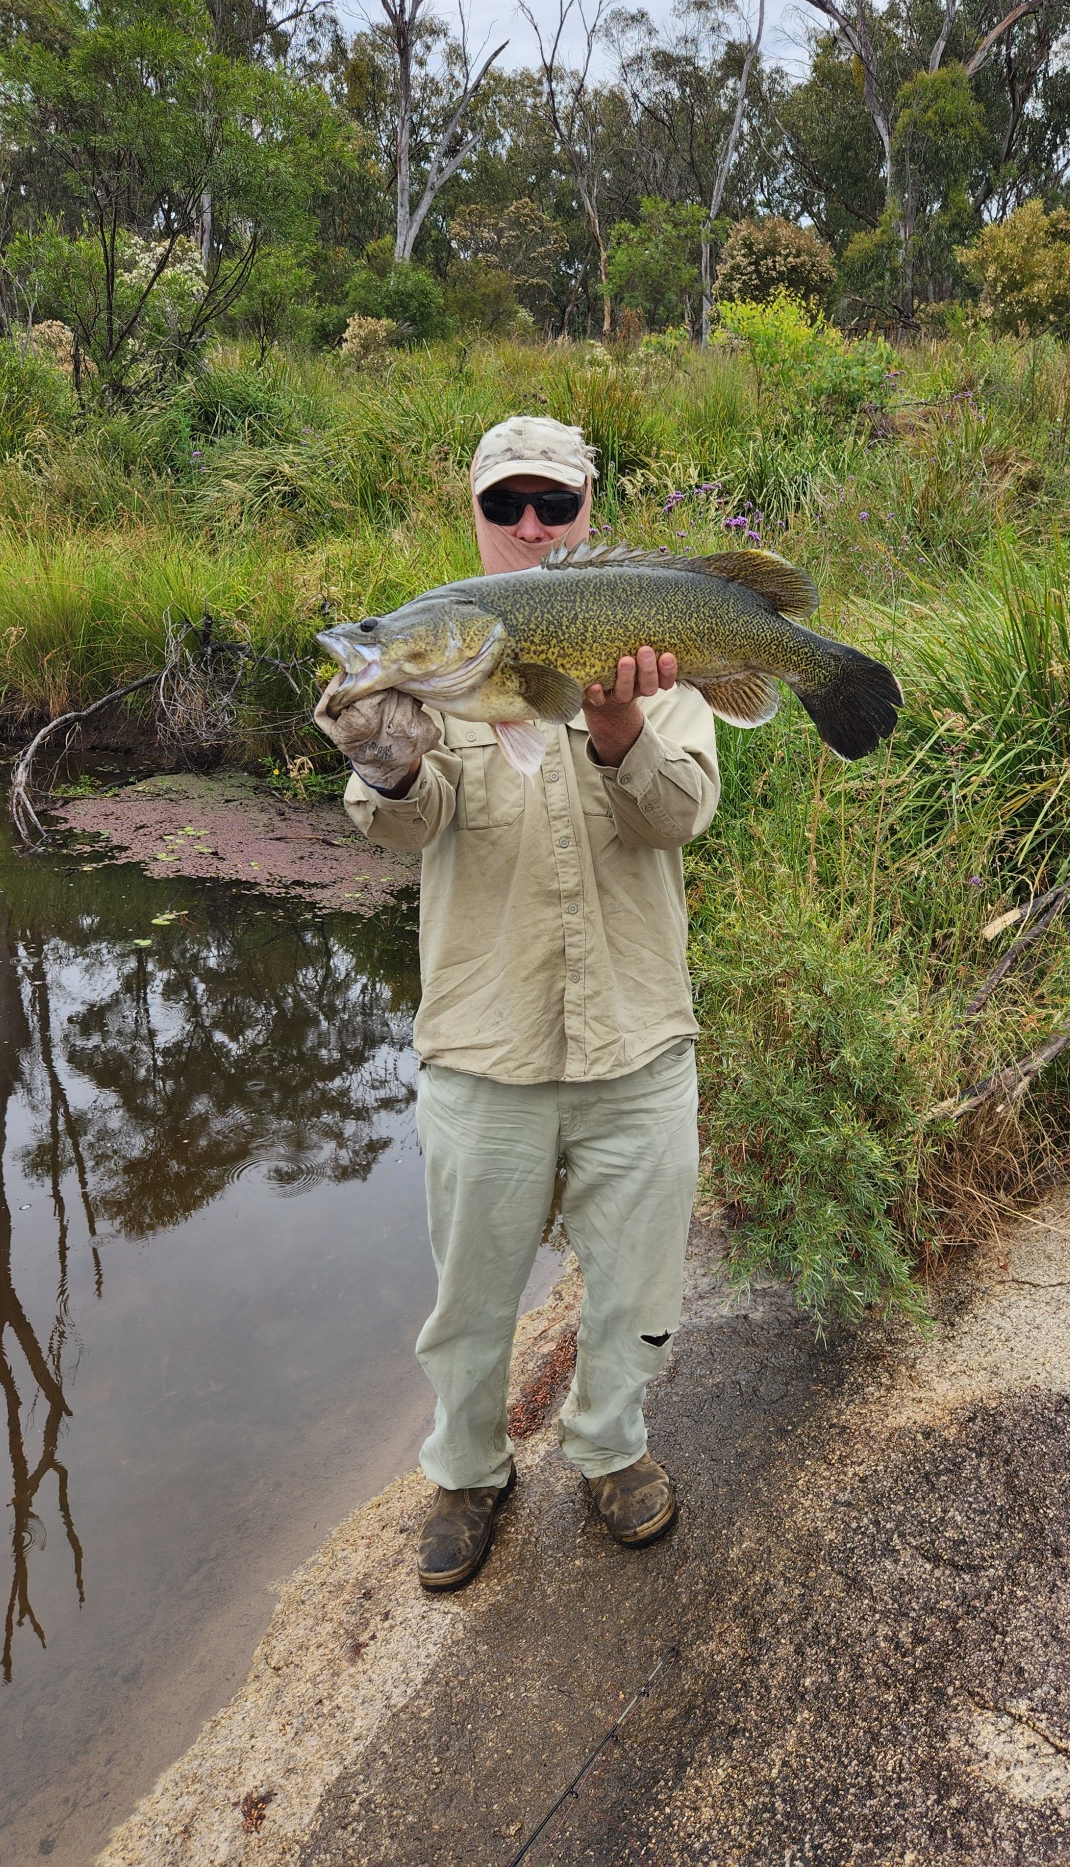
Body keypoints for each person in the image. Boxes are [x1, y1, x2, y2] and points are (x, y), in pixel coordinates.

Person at [312, 415, 719, 1590]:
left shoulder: (651, 636)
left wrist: (617, 729)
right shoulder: (439, 659)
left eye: (554, 502)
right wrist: (386, 762)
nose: (532, 525)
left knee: (638, 1281)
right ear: (476, 517)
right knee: (471, 1293)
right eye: (508, 506)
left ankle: (612, 1447)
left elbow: (679, 812)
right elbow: (409, 821)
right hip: (485, 1044)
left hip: (637, 1036)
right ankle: (468, 1469)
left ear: (589, 507)